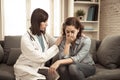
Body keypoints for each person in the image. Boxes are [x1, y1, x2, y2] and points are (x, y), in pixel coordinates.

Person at [14, 8, 62, 80]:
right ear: (37, 22)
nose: (47, 24)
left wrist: (65, 34)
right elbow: (40, 57)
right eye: (44, 21)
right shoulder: (26, 38)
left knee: (55, 76)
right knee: (40, 79)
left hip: (37, 67)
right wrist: (55, 46)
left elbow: (56, 42)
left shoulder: (44, 35)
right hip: (25, 68)